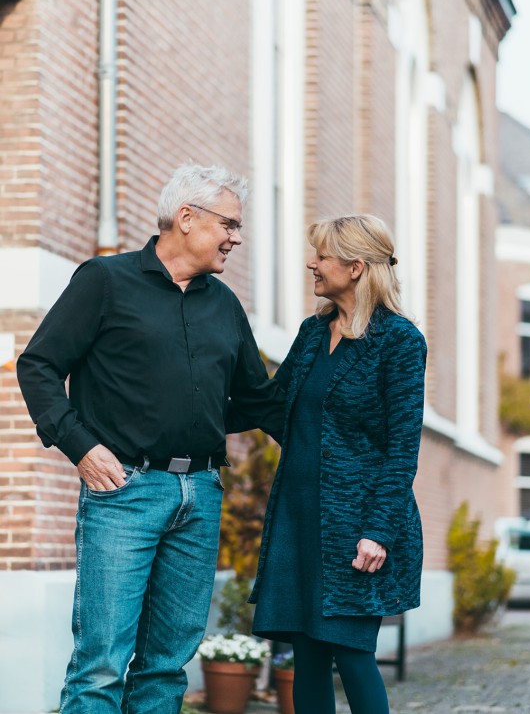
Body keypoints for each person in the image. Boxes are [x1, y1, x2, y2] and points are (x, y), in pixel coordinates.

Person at [17, 163, 284, 714]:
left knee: (166, 668)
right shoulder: (104, 281)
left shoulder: (224, 304)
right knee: (101, 665)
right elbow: (39, 365)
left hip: (201, 495)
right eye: (229, 224)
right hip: (124, 492)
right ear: (186, 218)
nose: (236, 237)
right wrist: (82, 447)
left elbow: (258, 402)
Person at [234, 214, 427, 714]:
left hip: (356, 526)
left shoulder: (400, 342)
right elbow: (277, 408)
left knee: (352, 654)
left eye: (321, 255)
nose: (311, 264)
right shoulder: (312, 332)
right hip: (299, 519)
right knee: (308, 656)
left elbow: (402, 448)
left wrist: (379, 532)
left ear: (357, 267)